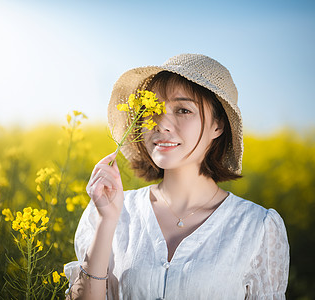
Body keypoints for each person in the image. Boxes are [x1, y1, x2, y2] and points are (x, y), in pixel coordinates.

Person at [64, 54, 290, 299]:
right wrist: (106, 222)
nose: (161, 123)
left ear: (218, 125)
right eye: (152, 109)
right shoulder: (110, 211)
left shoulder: (257, 227)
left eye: (183, 110)